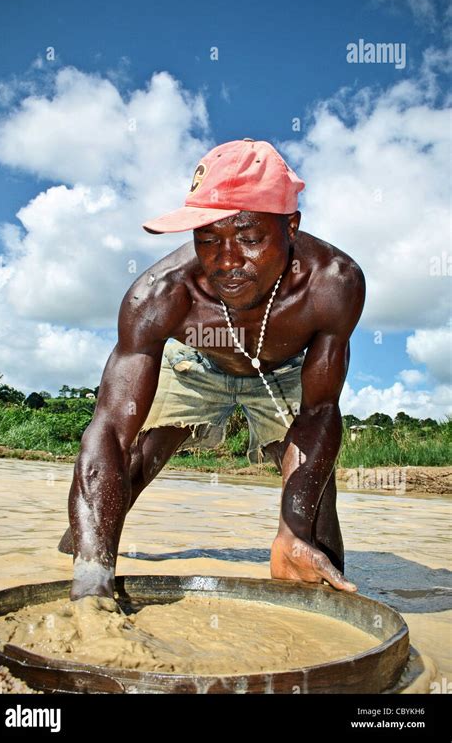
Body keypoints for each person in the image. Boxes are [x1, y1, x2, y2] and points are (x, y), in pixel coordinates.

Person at [58, 138, 365, 603]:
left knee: (313, 504)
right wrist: (90, 580)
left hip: (280, 371)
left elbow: (320, 410)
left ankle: (314, 579)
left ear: (292, 227)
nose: (226, 261)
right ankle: (82, 558)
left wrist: (292, 527)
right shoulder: (160, 295)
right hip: (197, 363)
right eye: (208, 238)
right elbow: (109, 429)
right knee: (134, 462)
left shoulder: (333, 284)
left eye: (249, 237)